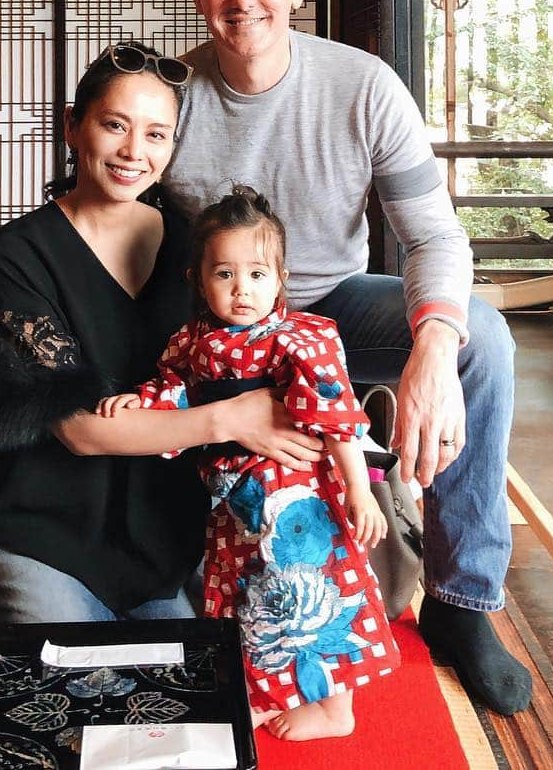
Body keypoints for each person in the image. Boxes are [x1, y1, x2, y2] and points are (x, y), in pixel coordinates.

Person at [161, 0, 533, 716]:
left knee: (484, 342)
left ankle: (462, 603)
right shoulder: (174, 96)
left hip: (328, 309)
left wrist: (432, 352)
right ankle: (161, 564)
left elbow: (435, 234)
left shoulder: (363, 86)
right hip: (215, 324)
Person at [0, 41, 325, 626]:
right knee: (74, 689)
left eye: (156, 134)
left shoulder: (194, 246)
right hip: (40, 518)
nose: (134, 152)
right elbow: (77, 429)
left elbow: (259, 352)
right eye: (114, 125)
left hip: (164, 521)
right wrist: (227, 418)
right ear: (73, 127)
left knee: (194, 684)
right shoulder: (21, 250)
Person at [98, 185, 394, 742]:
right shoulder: (191, 341)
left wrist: (357, 488)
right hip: (233, 497)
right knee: (249, 598)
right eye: (225, 274)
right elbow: (174, 392)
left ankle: (334, 709)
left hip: (297, 495)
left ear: (281, 279)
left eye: (258, 274)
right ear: (198, 279)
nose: (242, 290)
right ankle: (263, 693)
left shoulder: (301, 337)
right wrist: (138, 401)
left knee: (316, 590)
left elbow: (336, 415)